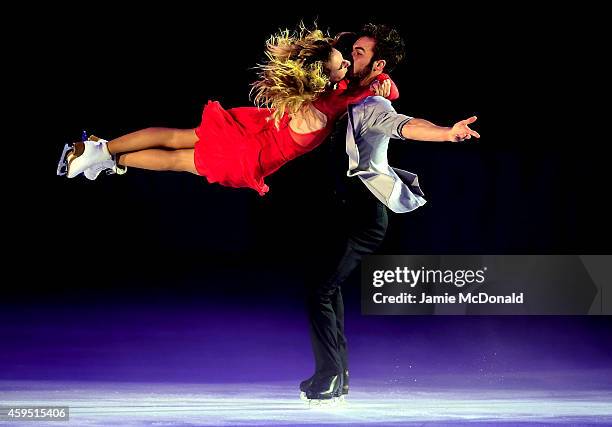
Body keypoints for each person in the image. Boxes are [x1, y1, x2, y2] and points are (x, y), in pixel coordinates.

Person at [300, 24, 480, 404]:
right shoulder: (347, 93)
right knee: (325, 288)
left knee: (320, 289)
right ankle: (338, 375)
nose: (351, 58)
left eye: (361, 53)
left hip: (365, 214)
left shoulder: (374, 105)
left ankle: (329, 374)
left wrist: (447, 132)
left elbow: (408, 125)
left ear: (378, 63)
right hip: (340, 209)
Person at [56, 25, 399, 196]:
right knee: (177, 158)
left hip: (259, 129)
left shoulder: (323, 90)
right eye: (342, 61)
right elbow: (370, 91)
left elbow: (384, 87)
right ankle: (102, 155)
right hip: (253, 150)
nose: (346, 64)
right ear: (323, 78)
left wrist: (380, 82)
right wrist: (376, 84)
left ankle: (102, 150)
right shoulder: (333, 97)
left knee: (179, 138)